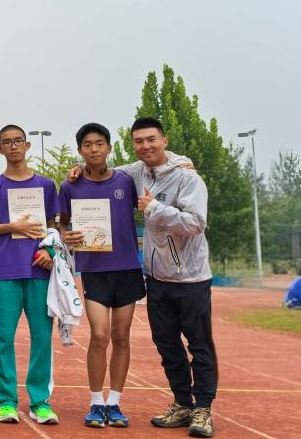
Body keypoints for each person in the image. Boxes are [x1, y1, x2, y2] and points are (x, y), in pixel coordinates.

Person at [125, 117, 215, 438]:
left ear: (164, 140)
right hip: (157, 278)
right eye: (139, 141)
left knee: (199, 345)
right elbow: (105, 174)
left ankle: (203, 409)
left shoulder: (188, 178)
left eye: (151, 139)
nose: (145, 146)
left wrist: (153, 209)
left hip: (191, 279)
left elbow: (195, 223)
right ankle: (182, 404)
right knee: (166, 344)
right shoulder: (137, 172)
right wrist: (80, 170)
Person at [59, 123, 143, 428]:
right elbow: (63, 222)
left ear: (109, 147)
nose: (94, 149)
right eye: (87, 144)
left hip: (128, 269)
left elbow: (154, 170)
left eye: (99, 143)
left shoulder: (126, 181)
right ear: (80, 150)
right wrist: (66, 234)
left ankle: (114, 403)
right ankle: (96, 402)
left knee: (121, 336)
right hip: (94, 270)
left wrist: (181, 163)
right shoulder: (70, 186)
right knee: (99, 334)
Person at [0, 124, 59, 425]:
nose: (13, 146)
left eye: (18, 141)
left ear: (27, 145)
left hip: (39, 270)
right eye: (7, 142)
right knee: (3, 338)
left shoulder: (46, 185)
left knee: (42, 338)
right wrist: (14, 227)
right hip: (5, 271)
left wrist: (50, 251)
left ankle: (40, 402)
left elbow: (54, 228)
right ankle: (6, 401)